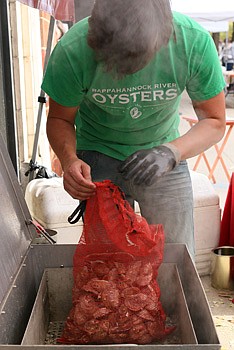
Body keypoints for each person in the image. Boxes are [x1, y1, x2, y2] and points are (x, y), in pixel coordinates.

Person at [41, 0, 226, 260]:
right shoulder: (73, 49)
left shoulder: (192, 42)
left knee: (175, 255)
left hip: (165, 156)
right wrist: (69, 160)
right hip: (97, 154)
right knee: (109, 263)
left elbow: (215, 121)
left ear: (163, 35)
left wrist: (171, 152)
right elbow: (59, 119)